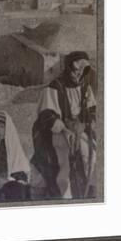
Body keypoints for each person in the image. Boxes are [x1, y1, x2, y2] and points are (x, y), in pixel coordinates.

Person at [31, 51, 97, 199]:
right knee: (65, 156)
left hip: (79, 130)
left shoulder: (85, 86)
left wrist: (87, 123)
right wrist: (66, 129)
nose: (78, 74)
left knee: (90, 153)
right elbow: (47, 115)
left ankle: (90, 190)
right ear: (68, 68)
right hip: (58, 131)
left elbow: (92, 110)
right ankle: (64, 195)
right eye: (75, 70)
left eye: (82, 71)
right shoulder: (55, 87)